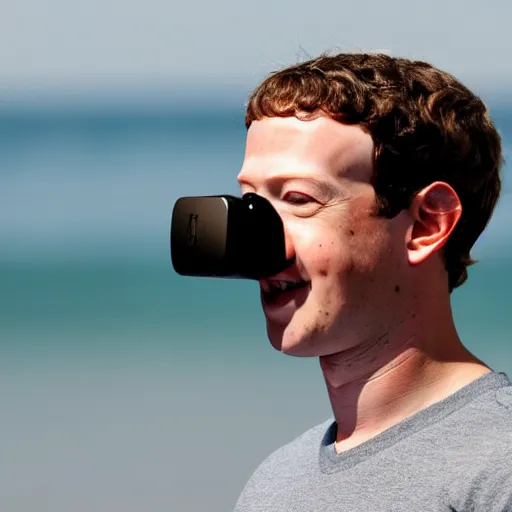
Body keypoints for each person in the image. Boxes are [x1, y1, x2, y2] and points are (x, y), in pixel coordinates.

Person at [233, 53, 512, 511]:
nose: (251, 241)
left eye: (298, 199)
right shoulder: (275, 484)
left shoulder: (496, 470)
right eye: (250, 202)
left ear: (426, 224)